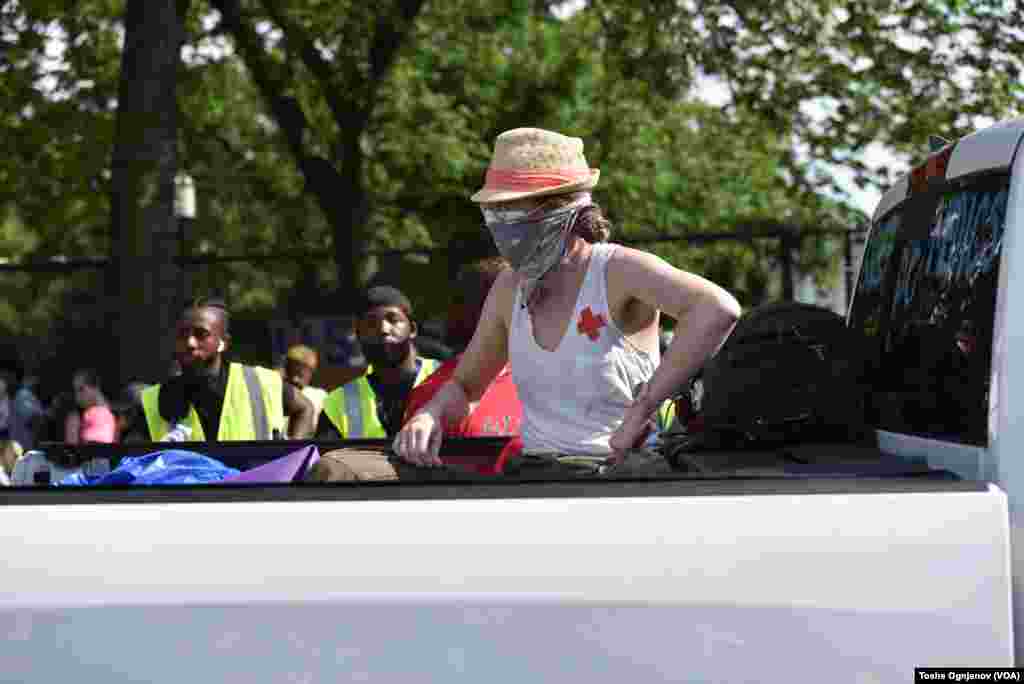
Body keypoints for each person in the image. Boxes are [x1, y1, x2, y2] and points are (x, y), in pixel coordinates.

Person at [328, 127, 739, 481]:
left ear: (565, 211)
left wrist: (644, 408)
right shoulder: (510, 287)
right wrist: (430, 414)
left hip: (618, 476)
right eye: (496, 214)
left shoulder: (617, 270)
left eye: (515, 213)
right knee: (342, 470)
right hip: (536, 474)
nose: (503, 230)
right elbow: (466, 386)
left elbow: (717, 309)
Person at [141, 298, 315, 441]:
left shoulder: (260, 383)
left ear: (223, 343)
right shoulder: (153, 400)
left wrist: (292, 454)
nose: (190, 342)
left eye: (201, 334)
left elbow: (305, 408)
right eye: (183, 334)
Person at [314, 286, 439, 439]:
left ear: (412, 329)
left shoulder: (448, 379)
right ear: (358, 333)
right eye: (371, 323)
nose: (383, 329)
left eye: (393, 320)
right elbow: (327, 454)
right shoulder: (337, 404)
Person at [65, 368, 117, 444]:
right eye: (75, 391)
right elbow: (71, 448)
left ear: (95, 388)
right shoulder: (75, 418)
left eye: (81, 389)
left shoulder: (117, 415)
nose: (77, 396)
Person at [283, 344, 328, 423]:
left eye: (300, 375)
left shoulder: (320, 397)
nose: (294, 379)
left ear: (311, 372)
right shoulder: (277, 392)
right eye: (290, 372)